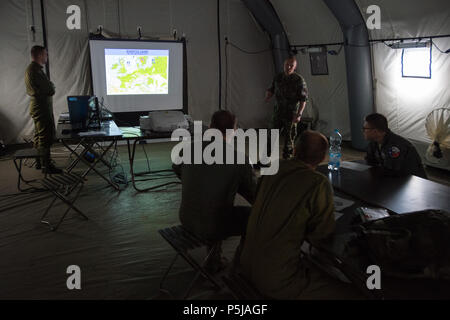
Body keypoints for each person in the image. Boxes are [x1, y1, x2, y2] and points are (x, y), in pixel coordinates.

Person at [239, 130, 360, 299]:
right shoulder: (317, 182)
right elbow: (322, 235)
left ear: (295, 150)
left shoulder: (274, 168)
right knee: (348, 291)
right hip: (275, 280)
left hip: (241, 265)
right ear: (322, 158)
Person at [172, 110, 257, 272]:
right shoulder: (240, 160)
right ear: (233, 131)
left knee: (214, 203)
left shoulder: (188, 149)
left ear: (210, 127)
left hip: (186, 218)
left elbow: (177, 169)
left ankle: (214, 259)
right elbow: (256, 196)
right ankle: (240, 267)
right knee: (252, 216)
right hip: (212, 225)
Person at [24, 45, 61, 174]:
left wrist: (50, 86)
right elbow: (50, 89)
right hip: (41, 108)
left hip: (40, 107)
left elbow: (47, 88)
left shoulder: (34, 69)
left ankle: (40, 162)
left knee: (39, 135)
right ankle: (47, 165)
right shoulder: (35, 71)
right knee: (44, 136)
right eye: (45, 54)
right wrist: (51, 86)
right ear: (40, 55)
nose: (47, 56)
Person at [265, 55, 308, 159]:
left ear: (294, 67)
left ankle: (287, 160)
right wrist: (268, 95)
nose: (288, 67)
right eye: (287, 65)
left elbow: (304, 99)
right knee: (271, 136)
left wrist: (299, 114)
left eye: (291, 65)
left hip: (291, 115)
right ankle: (265, 159)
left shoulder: (299, 80)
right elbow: (272, 89)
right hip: (278, 113)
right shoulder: (278, 77)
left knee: (289, 139)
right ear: (284, 65)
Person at [363, 113, 427, 179]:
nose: (363, 131)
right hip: (396, 180)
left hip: (412, 182)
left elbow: (392, 172)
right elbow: (370, 162)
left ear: (375, 131)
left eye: (364, 128)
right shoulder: (374, 142)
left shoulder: (397, 146)